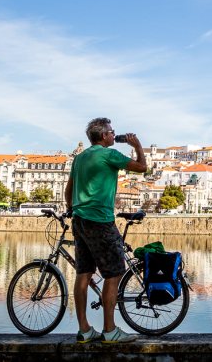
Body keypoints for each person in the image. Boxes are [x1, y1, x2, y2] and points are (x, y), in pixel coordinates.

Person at [64, 117, 147, 344]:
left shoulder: (79, 158)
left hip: (79, 220)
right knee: (113, 274)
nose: (114, 135)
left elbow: (68, 190)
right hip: (100, 220)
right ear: (103, 136)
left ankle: (85, 330)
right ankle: (110, 330)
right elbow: (142, 167)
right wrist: (137, 145)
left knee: (84, 273)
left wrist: (71, 209)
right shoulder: (109, 155)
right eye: (112, 132)